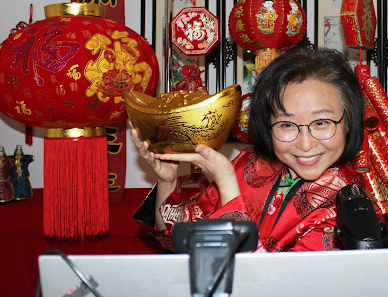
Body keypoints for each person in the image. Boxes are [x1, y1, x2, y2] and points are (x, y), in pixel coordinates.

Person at [132, 46, 367, 252]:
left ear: (348, 122)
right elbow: (178, 240)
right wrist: (168, 181)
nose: (305, 145)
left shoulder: (352, 208)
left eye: (322, 122)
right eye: (286, 125)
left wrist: (227, 186)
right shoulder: (250, 164)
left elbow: (267, 281)